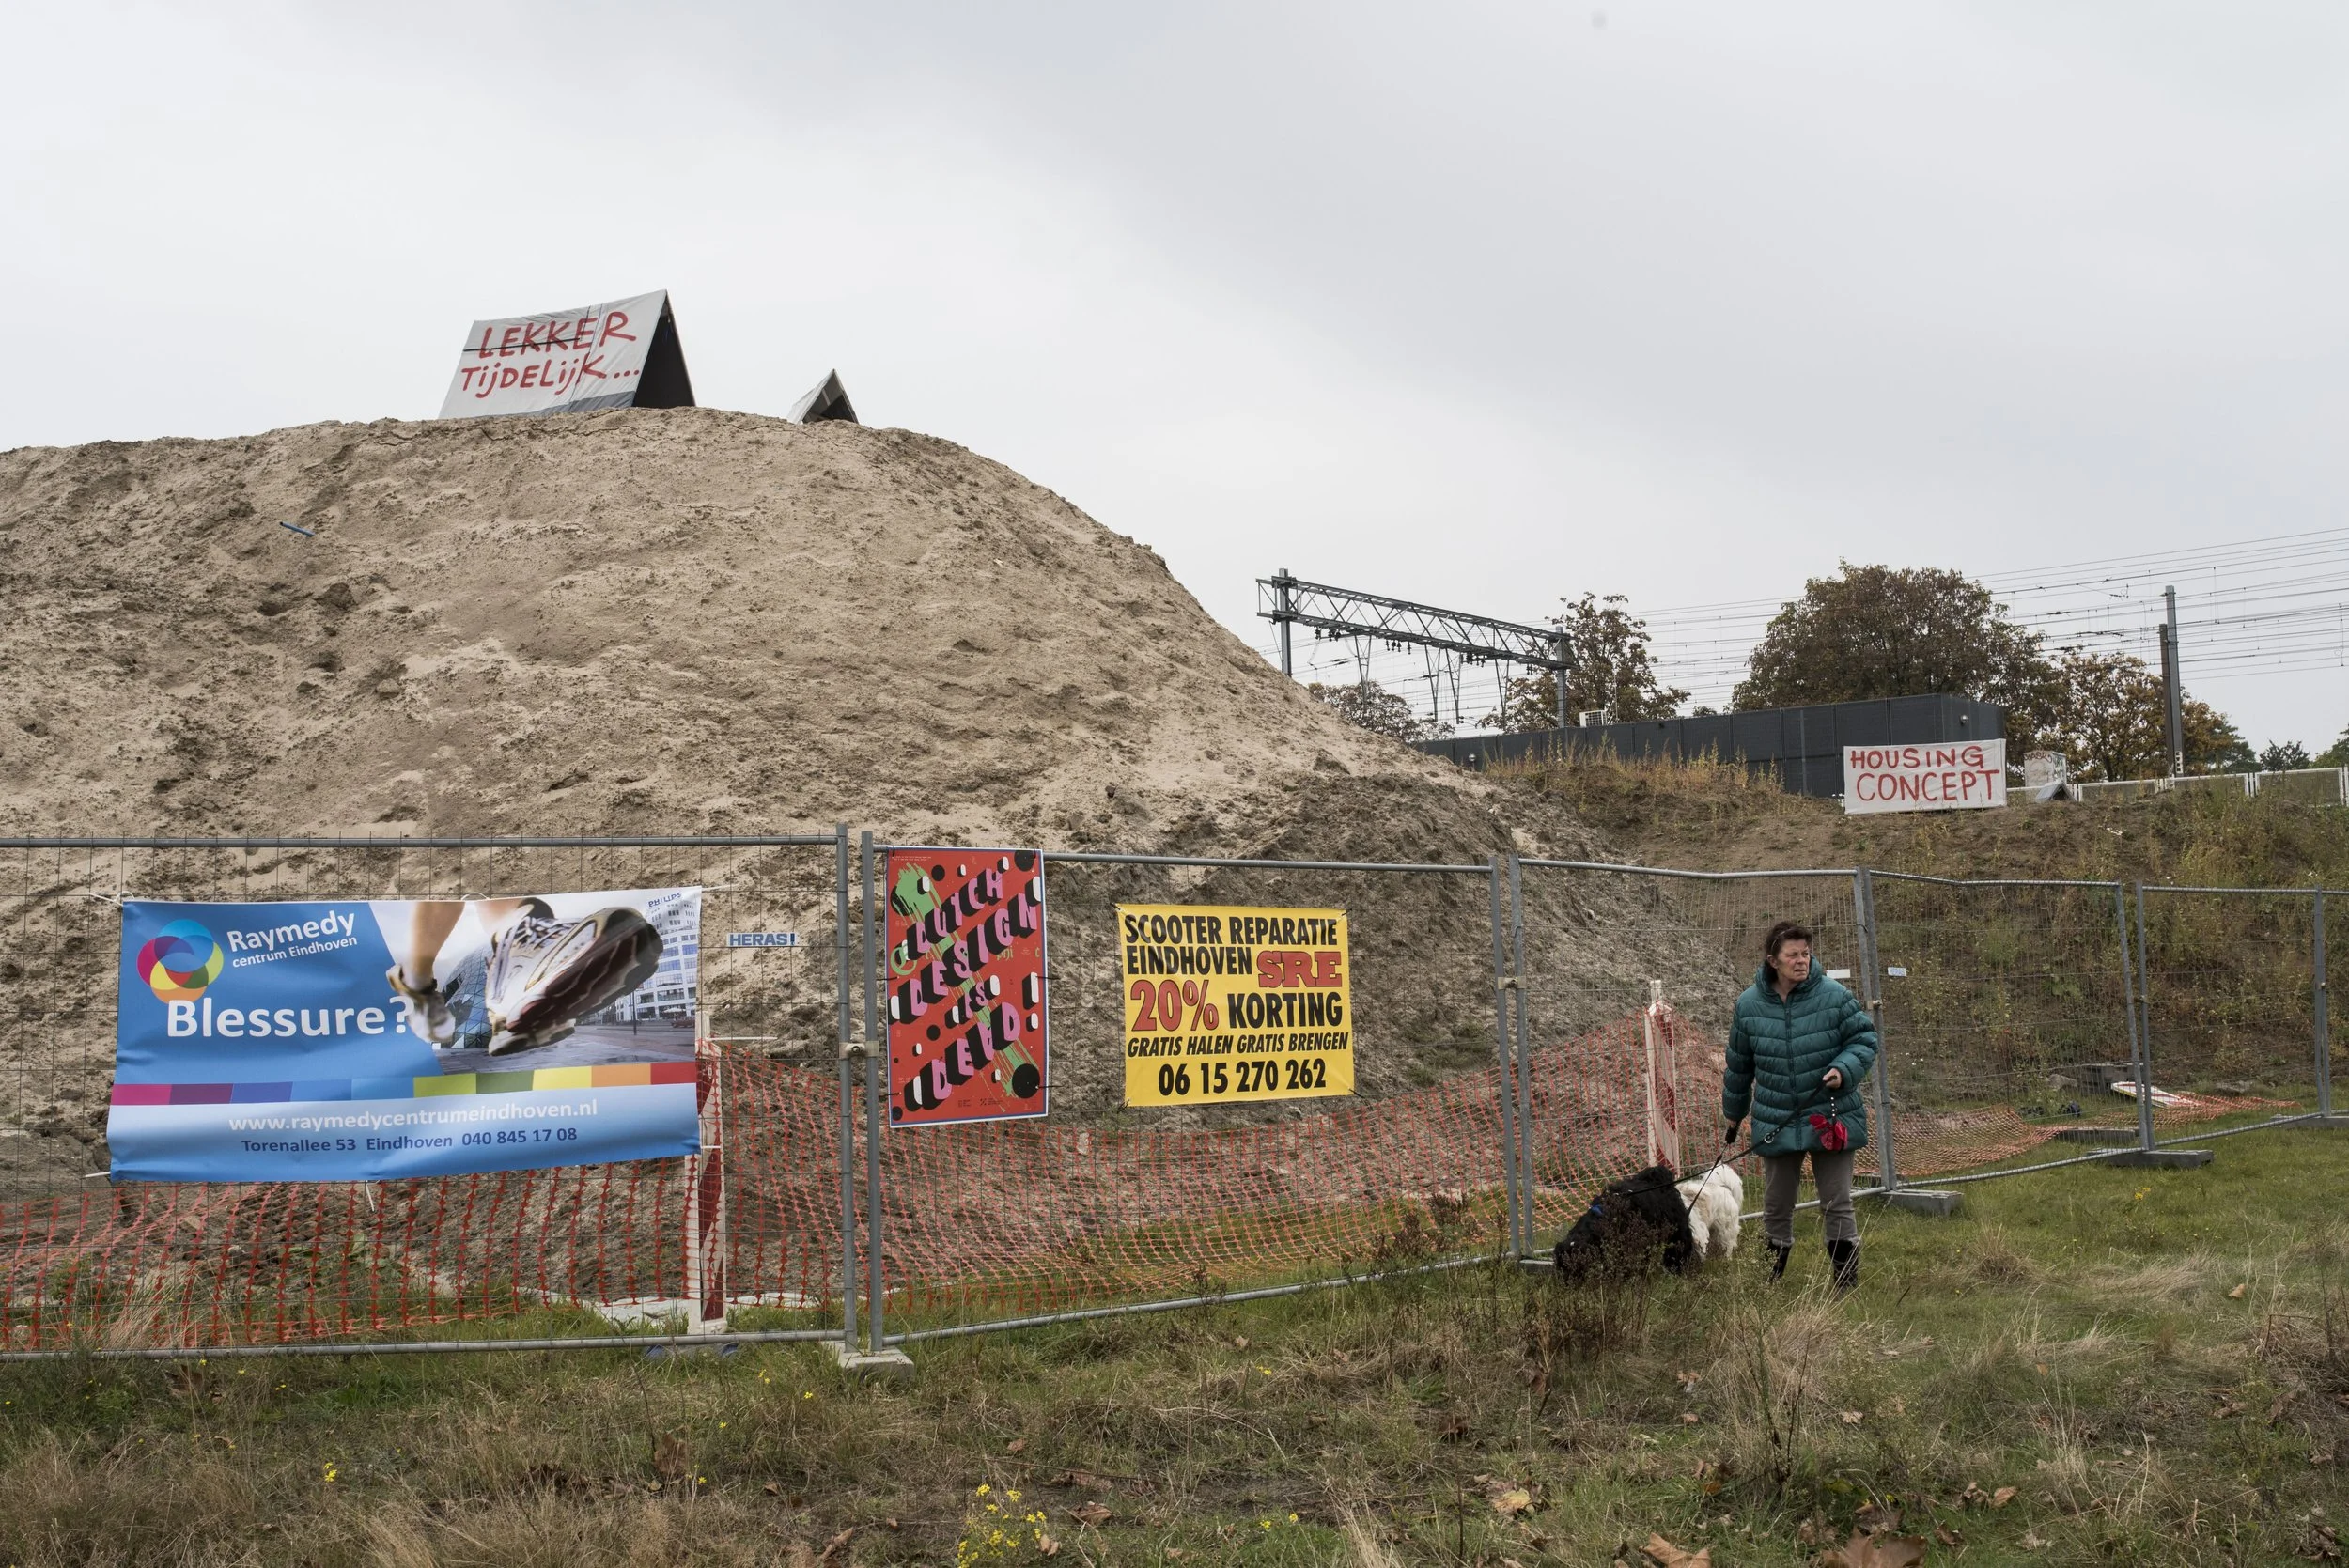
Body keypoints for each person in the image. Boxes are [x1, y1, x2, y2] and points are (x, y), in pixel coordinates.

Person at [1720, 919, 1878, 1293]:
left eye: (1806, 953)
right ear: (1772, 960)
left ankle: (1845, 1285)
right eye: (1792, 954)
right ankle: (1768, 1284)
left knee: (1836, 1202)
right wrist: (1733, 1112)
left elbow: (1864, 1040)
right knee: (1776, 1205)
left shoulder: (1834, 995)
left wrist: (1844, 1069)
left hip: (1831, 1113)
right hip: (1776, 1116)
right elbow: (1739, 1065)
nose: (1801, 960)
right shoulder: (1748, 1005)